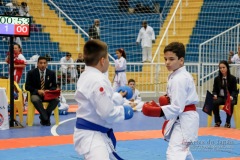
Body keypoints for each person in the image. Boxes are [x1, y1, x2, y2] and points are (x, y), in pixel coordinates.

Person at [73, 39, 134, 160]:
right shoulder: (98, 80)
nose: (109, 62)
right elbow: (107, 112)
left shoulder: (86, 75)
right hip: (92, 135)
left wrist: (119, 96)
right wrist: (124, 111)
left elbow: (100, 100)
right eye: (108, 58)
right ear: (102, 61)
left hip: (93, 133)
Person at [142, 42, 199, 160]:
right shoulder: (175, 75)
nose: (167, 62)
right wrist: (162, 103)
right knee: (183, 152)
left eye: (171, 59)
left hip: (184, 120)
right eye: (166, 59)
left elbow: (177, 107)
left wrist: (157, 111)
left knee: (174, 154)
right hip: (182, 118)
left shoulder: (179, 79)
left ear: (181, 60)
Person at [25, 56, 59, 126]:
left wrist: (48, 90)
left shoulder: (51, 73)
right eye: (41, 63)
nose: (43, 65)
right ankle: (46, 118)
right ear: (37, 64)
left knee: (56, 100)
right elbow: (27, 86)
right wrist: (37, 91)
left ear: (47, 64)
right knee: (34, 99)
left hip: (48, 94)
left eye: (44, 63)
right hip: (36, 94)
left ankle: (44, 117)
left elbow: (54, 86)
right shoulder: (31, 73)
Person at [212, 60, 238, 128]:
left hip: (230, 97)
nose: (222, 69)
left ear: (227, 68)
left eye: (223, 67)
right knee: (214, 102)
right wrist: (214, 94)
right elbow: (214, 90)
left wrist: (232, 96)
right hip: (221, 97)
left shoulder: (233, 78)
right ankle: (217, 121)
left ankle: (227, 122)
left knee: (231, 103)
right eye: (220, 68)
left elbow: (235, 90)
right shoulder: (216, 79)